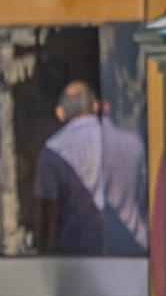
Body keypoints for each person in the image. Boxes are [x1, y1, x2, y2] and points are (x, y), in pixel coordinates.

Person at [34, 81, 149, 258]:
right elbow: (144, 199)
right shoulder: (133, 144)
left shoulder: (53, 151)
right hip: (132, 251)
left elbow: (49, 214)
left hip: (77, 258)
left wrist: (43, 257)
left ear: (60, 112)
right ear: (96, 106)